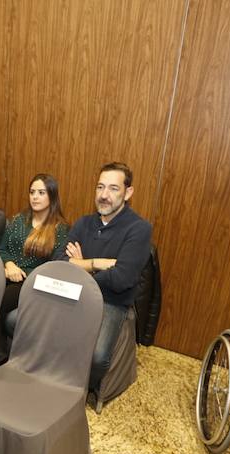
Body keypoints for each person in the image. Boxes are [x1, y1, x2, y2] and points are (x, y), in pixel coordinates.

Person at [55, 162, 151, 396]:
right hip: (72, 293)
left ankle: (76, 392)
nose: (104, 195)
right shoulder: (83, 223)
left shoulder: (139, 229)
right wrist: (95, 264)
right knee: (17, 322)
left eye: (113, 189)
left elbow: (121, 278)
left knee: (97, 358)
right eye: (100, 187)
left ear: (128, 193)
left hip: (111, 301)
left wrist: (79, 267)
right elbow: (58, 260)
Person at [0, 173, 69, 365]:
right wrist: (9, 265)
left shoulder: (60, 229)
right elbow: (2, 249)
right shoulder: (18, 220)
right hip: (8, 273)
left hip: (34, 282)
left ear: (51, 196)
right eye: (32, 192)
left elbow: (55, 266)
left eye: (41, 192)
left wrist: (22, 274)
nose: (34, 196)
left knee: (0, 299)